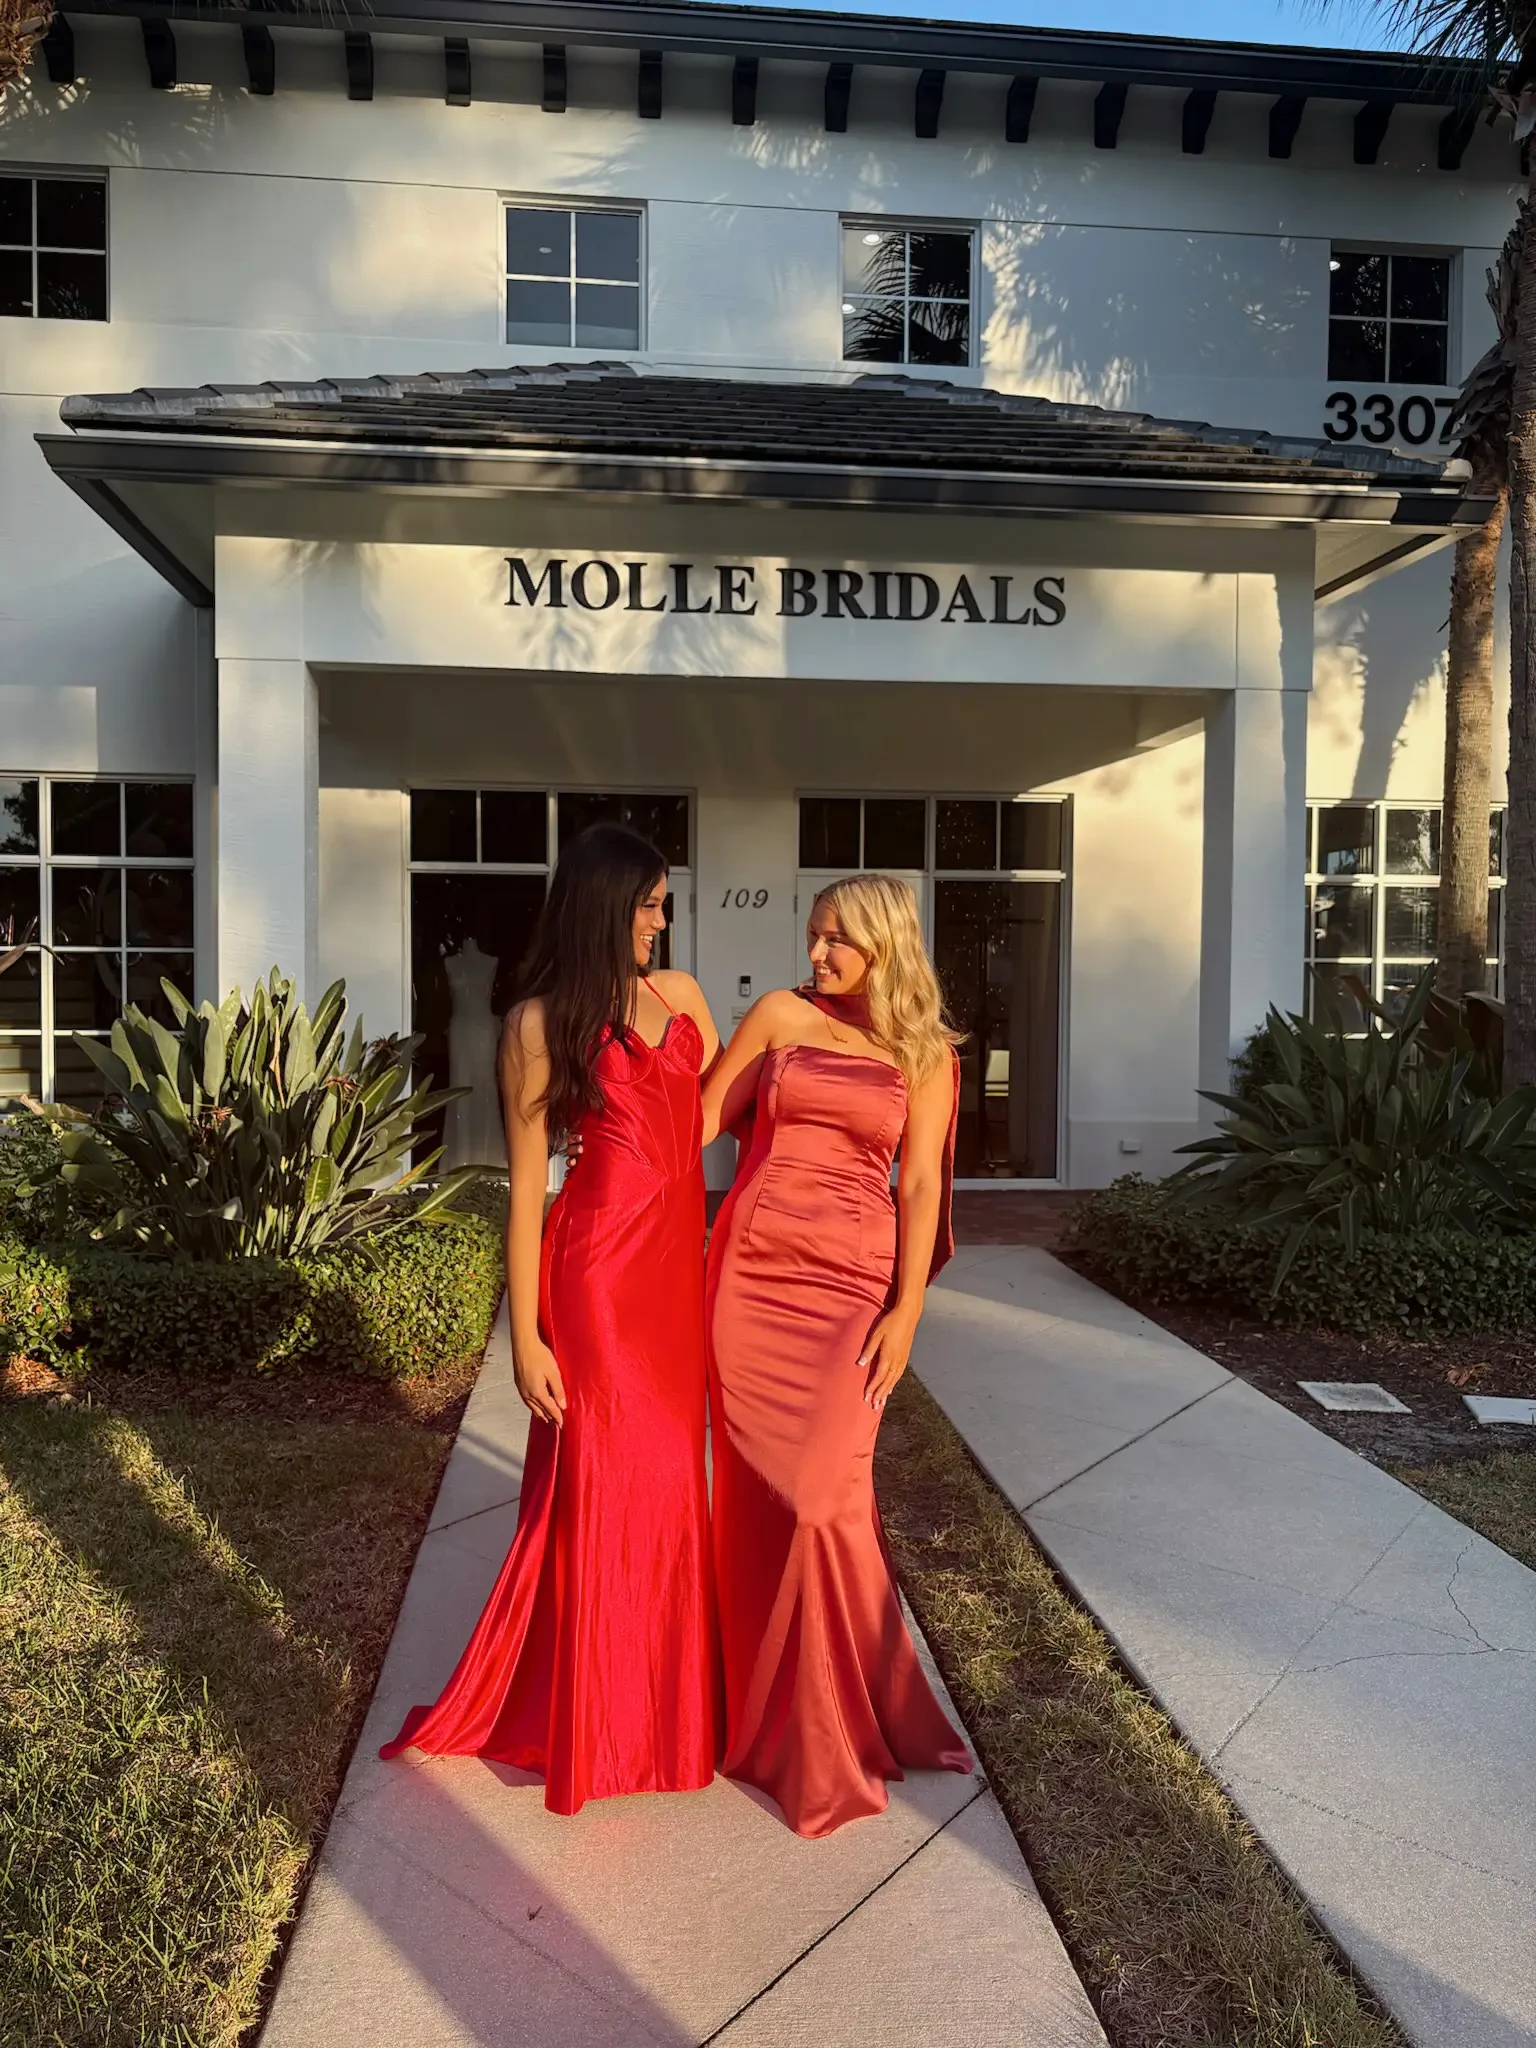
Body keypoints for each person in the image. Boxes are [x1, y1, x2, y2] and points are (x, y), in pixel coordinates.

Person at [382, 823, 721, 1814]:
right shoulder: (536, 1023)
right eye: (649, 902)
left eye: (664, 903)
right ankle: (604, 1718)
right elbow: (527, 1189)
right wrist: (525, 1336)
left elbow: (713, 1115)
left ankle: (665, 1707)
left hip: (676, 1279)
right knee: (606, 1481)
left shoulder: (684, 996)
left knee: (670, 1480)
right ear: (604, 903)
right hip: (599, 1279)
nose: (661, 919)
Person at [700, 873, 974, 1837]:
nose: (815, 955)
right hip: (751, 1276)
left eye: (835, 941)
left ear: (883, 945)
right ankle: (757, 1711)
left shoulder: (926, 1053)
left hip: (851, 1286)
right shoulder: (781, 1016)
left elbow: (919, 1188)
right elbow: (696, 1120)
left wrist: (908, 1310)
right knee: (760, 1498)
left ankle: (839, 1714)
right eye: (813, 936)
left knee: (823, 1497)